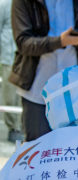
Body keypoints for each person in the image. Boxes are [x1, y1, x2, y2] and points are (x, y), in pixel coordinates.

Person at [9, 0, 78, 141]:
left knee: (72, 150)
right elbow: (23, 43)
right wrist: (60, 42)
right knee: (37, 150)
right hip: (37, 90)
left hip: (73, 90)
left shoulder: (77, 2)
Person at [0, 0, 23, 143]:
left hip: (29, 56)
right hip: (10, 57)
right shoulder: (4, 4)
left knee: (26, 93)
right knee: (10, 95)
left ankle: (24, 126)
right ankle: (13, 127)